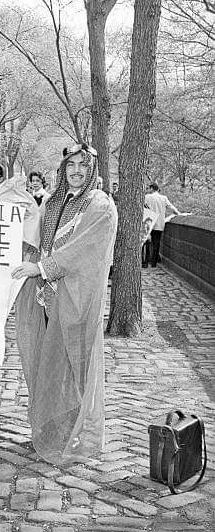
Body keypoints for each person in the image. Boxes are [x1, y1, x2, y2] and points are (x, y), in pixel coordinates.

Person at [10, 143, 118, 465]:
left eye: (83, 166)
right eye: (71, 165)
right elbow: (35, 236)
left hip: (76, 302)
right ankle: (52, 428)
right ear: (63, 168)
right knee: (50, 367)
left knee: (77, 369)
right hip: (47, 300)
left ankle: (81, 433)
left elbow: (84, 251)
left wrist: (42, 268)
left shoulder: (100, 206)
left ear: (92, 170)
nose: (76, 171)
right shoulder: (53, 201)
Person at [144, 182, 179, 267]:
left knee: (147, 242)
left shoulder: (147, 197)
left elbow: (144, 207)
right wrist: (178, 213)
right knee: (156, 243)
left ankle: (145, 262)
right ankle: (154, 263)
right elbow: (171, 207)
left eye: (149, 189)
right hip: (159, 223)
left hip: (149, 222)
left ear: (152, 189)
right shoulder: (164, 198)